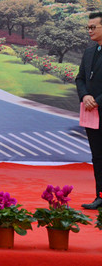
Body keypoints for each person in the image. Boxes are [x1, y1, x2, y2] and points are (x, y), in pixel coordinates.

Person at [76, 11, 102, 210]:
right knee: (97, 156)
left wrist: (97, 101)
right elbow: (80, 79)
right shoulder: (89, 52)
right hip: (93, 114)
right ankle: (100, 195)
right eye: (88, 27)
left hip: (98, 106)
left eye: (93, 27)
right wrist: (85, 96)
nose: (90, 31)